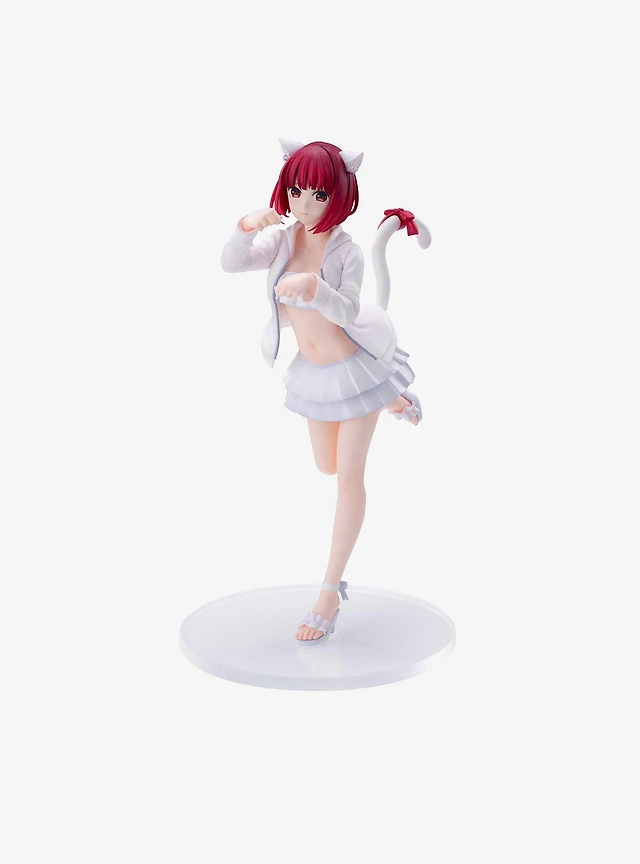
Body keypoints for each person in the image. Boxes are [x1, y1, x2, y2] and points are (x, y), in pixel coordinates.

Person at [220, 139, 430, 643]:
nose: (305, 204)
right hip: (315, 375)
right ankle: (393, 399)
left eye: (318, 194)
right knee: (326, 465)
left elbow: (349, 307)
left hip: (354, 366)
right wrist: (245, 226)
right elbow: (231, 263)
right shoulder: (283, 241)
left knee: (348, 478)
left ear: (339, 196)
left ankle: (329, 593)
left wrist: (315, 288)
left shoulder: (347, 251)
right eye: (296, 192)